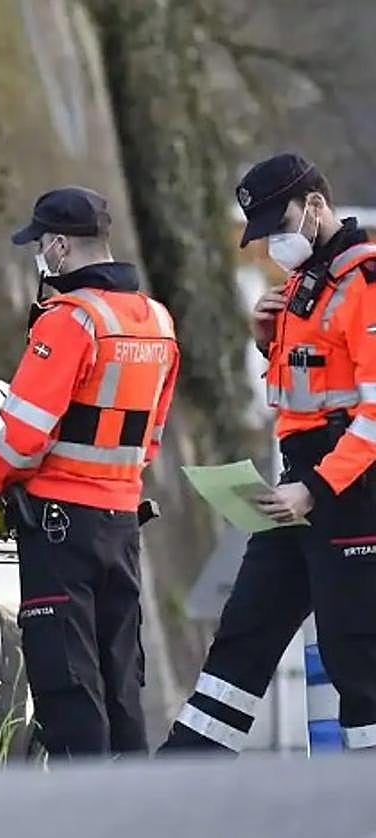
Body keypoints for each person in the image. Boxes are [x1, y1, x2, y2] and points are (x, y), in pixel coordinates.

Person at [162, 153, 376, 754]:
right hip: (299, 484)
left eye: (278, 226)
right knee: (244, 632)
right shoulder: (308, 286)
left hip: (351, 491)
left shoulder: (365, 284)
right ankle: (178, 779)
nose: (273, 245)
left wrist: (317, 486)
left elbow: (373, 412)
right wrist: (266, 342)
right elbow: (304, 390)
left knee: (356, 656)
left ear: (315, 205)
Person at [0, 186, 180, 757]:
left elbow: (25, 433)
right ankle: (130, 811)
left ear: (58, 246)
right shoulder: (158, 323)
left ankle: (85, 812)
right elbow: (150, 439)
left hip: (57, 525)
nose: (39, 258)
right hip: (121, 522)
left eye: (40, 247)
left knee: (69, 679)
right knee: (120, 674)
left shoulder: (70, 321)